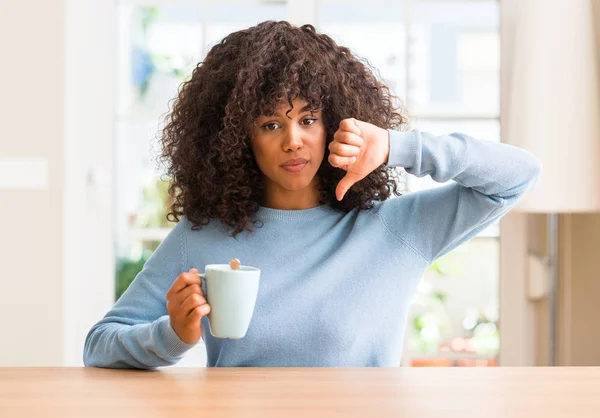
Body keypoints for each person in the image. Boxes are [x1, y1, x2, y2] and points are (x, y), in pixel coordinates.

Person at [84, 20, 541, 369]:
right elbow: (100, 345)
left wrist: (396, 146)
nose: (292, 141)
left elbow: (517, 175)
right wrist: (173, 336)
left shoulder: (396, 230)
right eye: (270, 124)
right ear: (236, 138)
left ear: (336, 123)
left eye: (307, 119)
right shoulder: (202, 238)